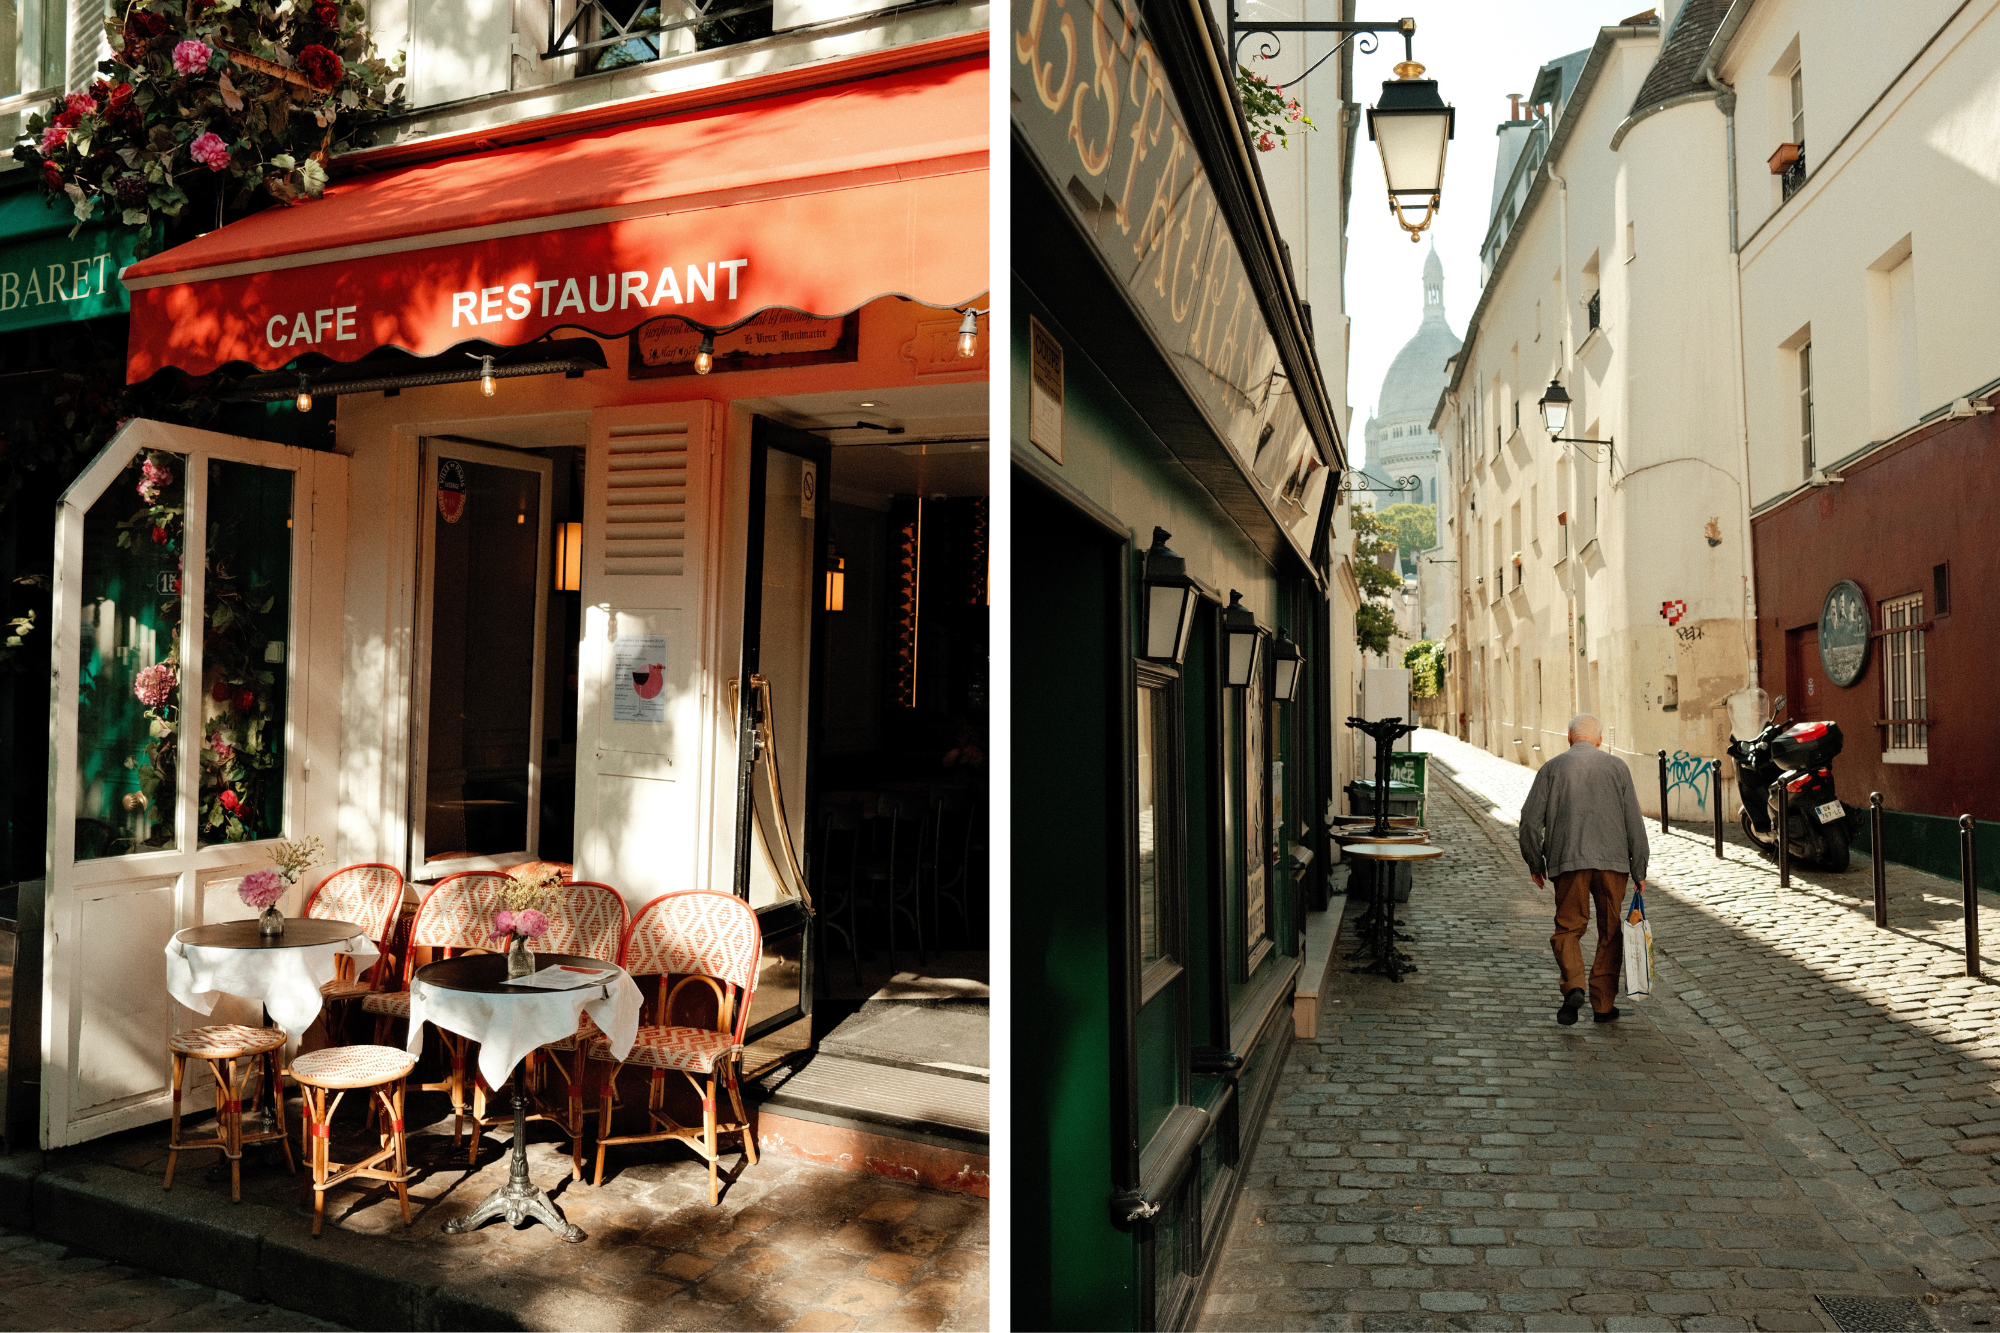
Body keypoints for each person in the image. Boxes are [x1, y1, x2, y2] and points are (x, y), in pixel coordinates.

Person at [1518, 713, 1650, 1026]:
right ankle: (1603, 1005)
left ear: (1569, 738)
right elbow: (1634, 820)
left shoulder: (1552, 768)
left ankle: (1574, 984)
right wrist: (1639, 868)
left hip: (1568, 860)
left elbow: (1529, 821)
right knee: (1610, 929)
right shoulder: (1617, 767)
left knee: (1568, 928)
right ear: (1600, 740)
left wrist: (1535, 862)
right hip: (1612, 862)